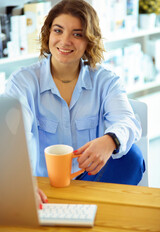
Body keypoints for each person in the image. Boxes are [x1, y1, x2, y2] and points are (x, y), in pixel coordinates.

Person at [5, 0, 145, 205]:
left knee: (131, 157)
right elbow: (13, 138)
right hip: (42, 188)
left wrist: (109, 141)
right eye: (58, 31)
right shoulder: (22, 82)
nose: (65, 41)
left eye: (77, 34)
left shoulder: (105, 80)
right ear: (48, 34)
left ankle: (87, 211)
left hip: (92, 181)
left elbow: (127, 121)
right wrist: (22, 184)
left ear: (89, 40)